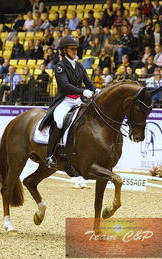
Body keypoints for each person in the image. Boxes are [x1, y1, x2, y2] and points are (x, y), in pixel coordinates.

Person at [39, 35, 99, 169]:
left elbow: (88, 83)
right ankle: (50, 155)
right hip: (65, 100)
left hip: (78, 100)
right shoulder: (60, 67)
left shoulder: (79, 66)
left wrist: (97, 90)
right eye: (71, 49)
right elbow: (65, 86)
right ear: (64, 50)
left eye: (76, 49)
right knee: (59, 122)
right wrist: (82, 91)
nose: (74, 51)